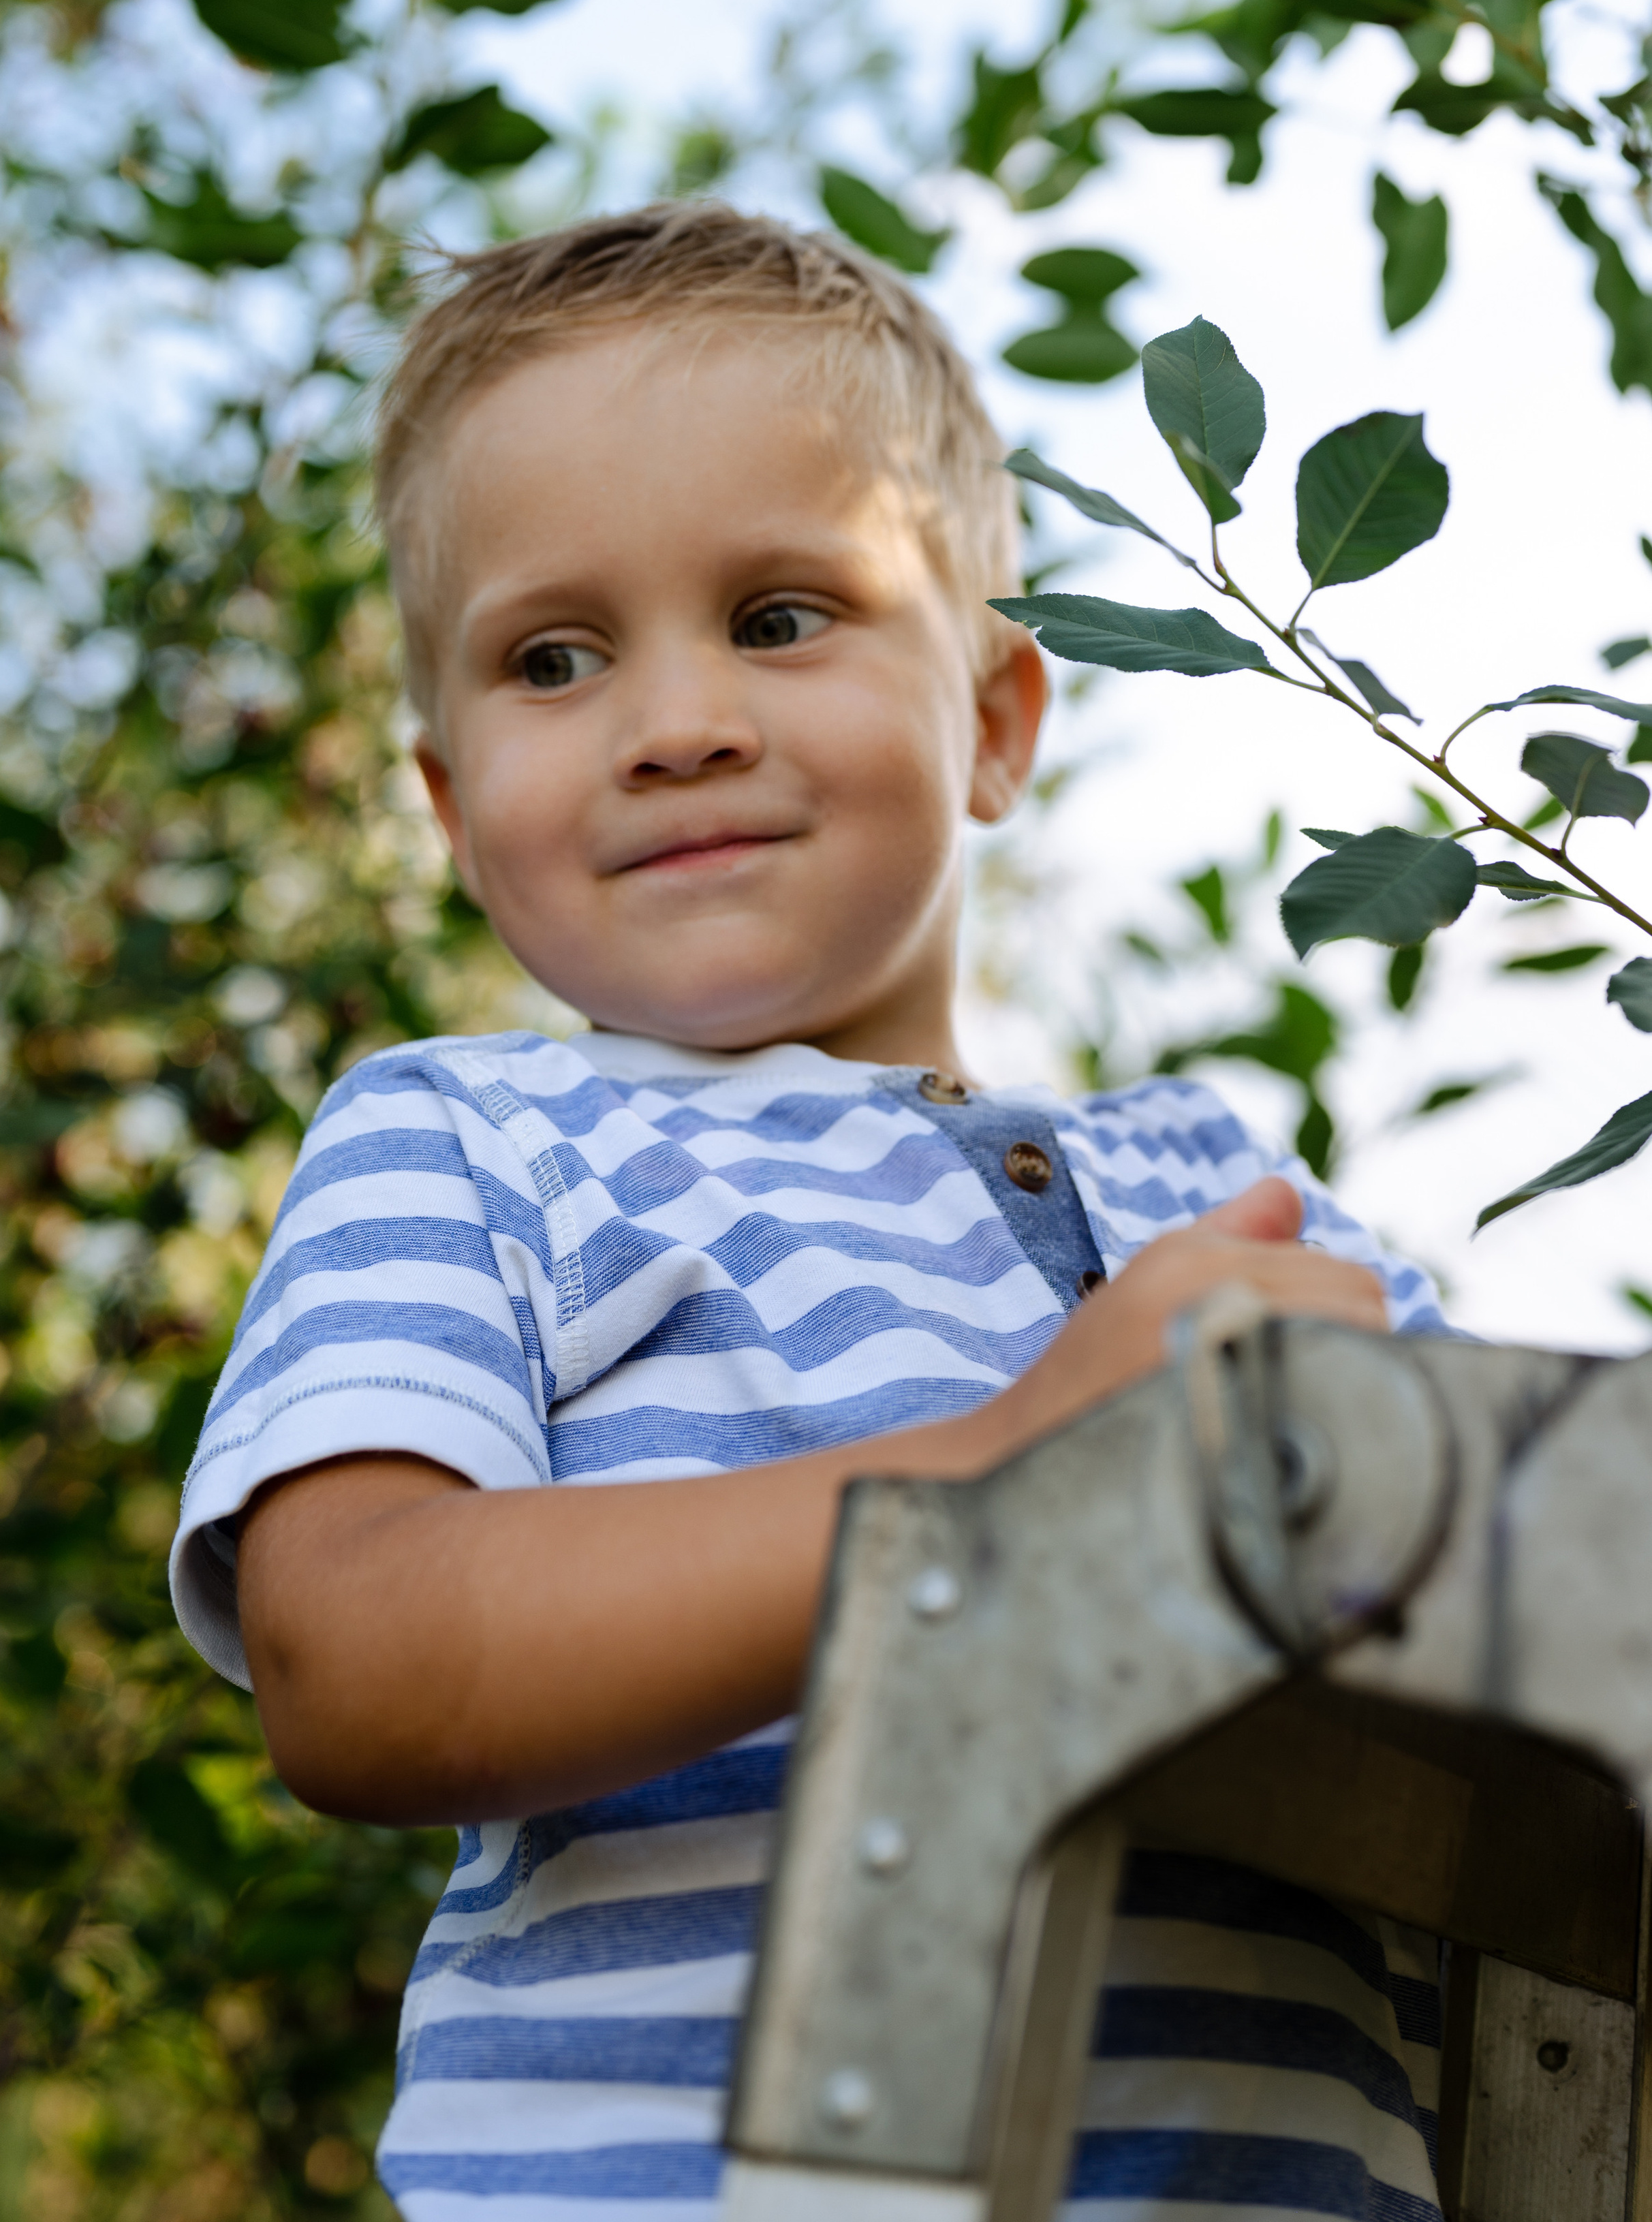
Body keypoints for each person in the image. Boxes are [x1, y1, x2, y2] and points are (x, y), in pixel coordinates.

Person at [171, 204, 1446, 2222]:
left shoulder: (1222, 1194)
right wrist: (1005, 1468)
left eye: (779, 617)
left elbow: (1567, 1590)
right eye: (554, 657)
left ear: (1000, 720)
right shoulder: (477, 1142)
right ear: (447, 802)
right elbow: (363, 1661)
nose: (674, 724)